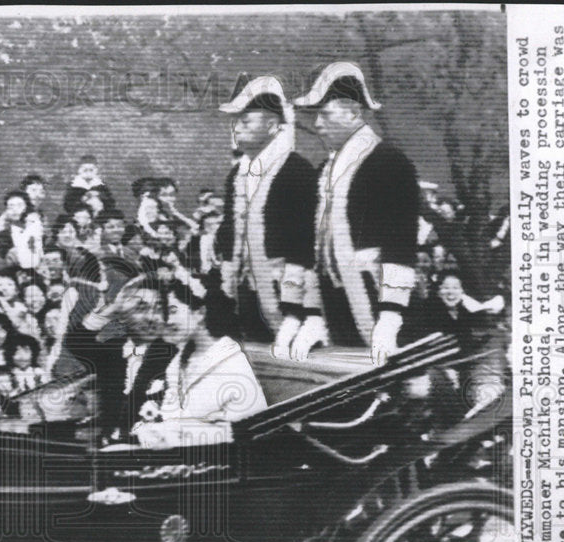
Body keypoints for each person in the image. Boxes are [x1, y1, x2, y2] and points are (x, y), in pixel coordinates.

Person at [291, 62, 421, 364]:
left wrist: (391, 313)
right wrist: (313, 313)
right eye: (315, 116)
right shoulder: (325, 169)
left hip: (378, 296)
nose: (318, 125)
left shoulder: (388, 160)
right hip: (336, 300)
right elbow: (315, 248)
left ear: (353, 112)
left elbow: (401, 241)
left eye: (325, 114)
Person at [217, 75, 318, 350]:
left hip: (288, 295)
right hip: (245, 293)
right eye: (236, 122)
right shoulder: (236, 174)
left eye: (245, 121)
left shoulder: (297, 170)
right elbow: (229, 235)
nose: (237, 129)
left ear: (272, 125)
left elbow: (306, 242)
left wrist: (298, 310)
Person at [131, 274, 266, 449]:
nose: (166, 321)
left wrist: (169, 435)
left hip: (227, 464)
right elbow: (174, 419)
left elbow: (246, 433)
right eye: (161, 313)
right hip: (187, 459)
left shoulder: (229, 364)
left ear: (200, 313)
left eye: (172, 311)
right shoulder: (177, 365)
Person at [61, 273, 177, 440]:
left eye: (158, 308)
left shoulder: (173, 354)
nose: (152, 317)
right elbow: (75, 341)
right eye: (141, 308)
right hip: (108, 445)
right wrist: (112, 307)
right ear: (122, 315)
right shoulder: (113, 350)